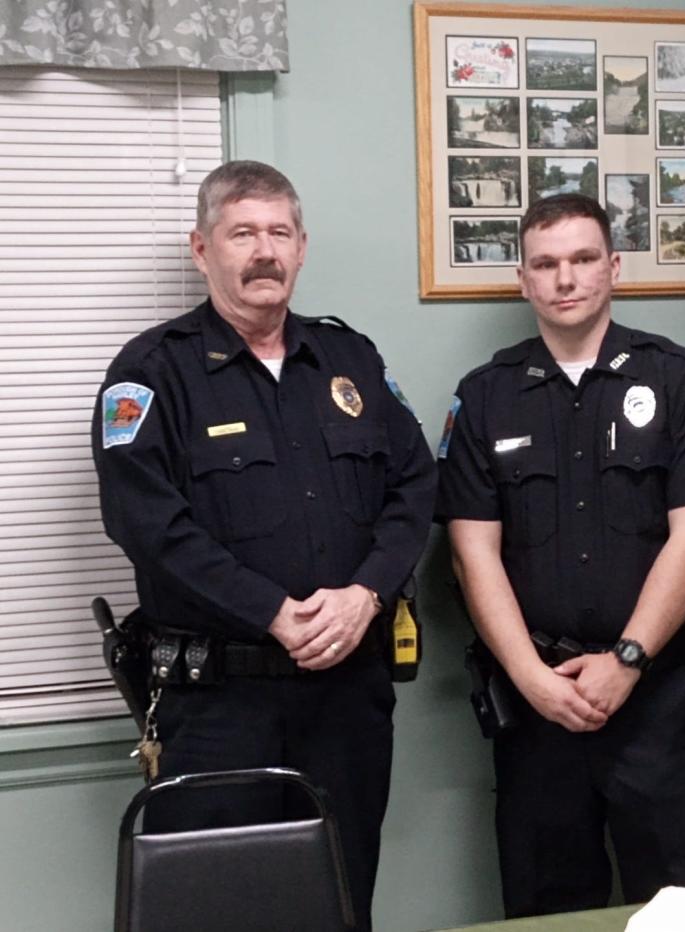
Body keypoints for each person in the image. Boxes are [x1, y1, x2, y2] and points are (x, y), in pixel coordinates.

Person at [91, 160, 436, 929]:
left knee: (344, 900)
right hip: (220, 704)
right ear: (201, 248)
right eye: (242, 232)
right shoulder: (152, 372)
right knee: (222, 906)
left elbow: (415, 487)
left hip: (347, 694)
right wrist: (273, 612)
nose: (263, 251)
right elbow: (145, 522)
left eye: (279, 232)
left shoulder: (349, 361)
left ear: (302, 248)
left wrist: (368, 593)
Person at [436, 193, 685, 918]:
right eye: (546, 263)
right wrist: (532, 679)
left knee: (682, 911)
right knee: (547, 913)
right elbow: (473, 556)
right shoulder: (484, 398)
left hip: (658, 697)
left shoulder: (675, 379)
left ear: (614, 268)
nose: (565, 278)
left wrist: (627, 661)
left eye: (582, 259)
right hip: (537, 708)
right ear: (523, 280)